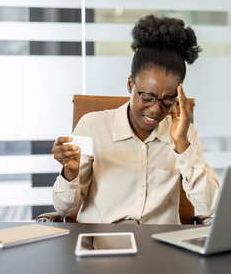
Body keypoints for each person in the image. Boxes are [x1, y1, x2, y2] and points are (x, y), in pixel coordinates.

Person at [51, 15, 220, 224]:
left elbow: (209, 205)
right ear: (130, 85)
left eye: (167, 101)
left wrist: (182, 145)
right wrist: (70, 172)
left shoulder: (184, 134)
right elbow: (64, 209)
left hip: (160, 246)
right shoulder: (91, 126)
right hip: (102, 245)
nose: (156, 110)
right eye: (147, 98)